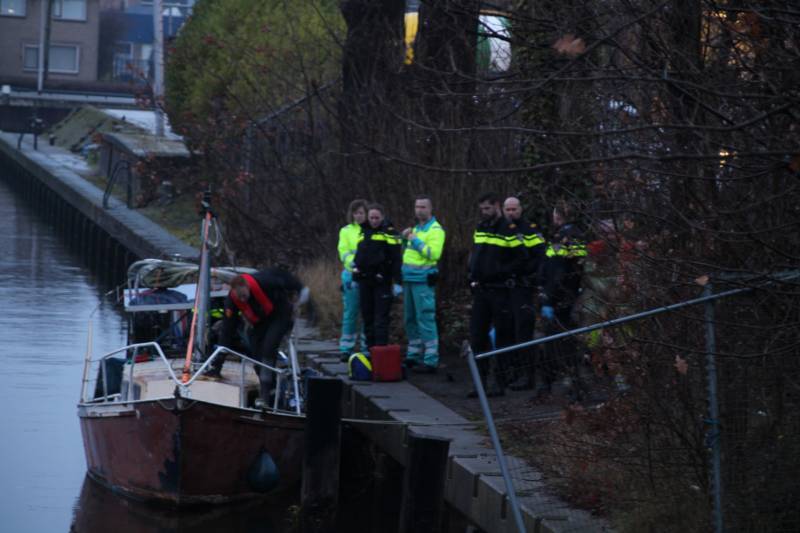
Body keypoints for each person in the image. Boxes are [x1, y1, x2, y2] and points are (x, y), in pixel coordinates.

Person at [206, 268, 305, 407]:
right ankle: (271, 391)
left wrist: (303, 294)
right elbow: (227, 330)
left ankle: (265, 395)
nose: (242, 299)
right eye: (239, 297)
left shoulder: (264, 281)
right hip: (260, 322)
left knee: (268, 348)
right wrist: (218, 364)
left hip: (280, 314)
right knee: (255, 352)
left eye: (244, 295)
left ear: (247, 287)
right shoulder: (232, 301)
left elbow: (285, 278)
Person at [538, 200, 588, 402]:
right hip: (570, 296)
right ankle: (568, 385)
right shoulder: (578, 236)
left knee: (556, 345)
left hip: (559, 300)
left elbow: (558, 271)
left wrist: (549, 299)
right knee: (566, 343)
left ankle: (561, 386)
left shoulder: (563, 238)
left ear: (558, 216)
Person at [467, 192, 516, 397]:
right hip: (481, 289)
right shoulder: (482, 227)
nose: (485, 212)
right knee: (477, 337)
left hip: (500, 289)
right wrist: (471, 275)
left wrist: (502, 274)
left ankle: (500, 382)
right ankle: (480, 382)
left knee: (502, 336)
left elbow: (518, 258)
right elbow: (476, 254)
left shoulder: (507, 229)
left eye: (488, 208)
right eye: (482, 209)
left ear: (497, 206)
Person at [502, 196, 546, 391]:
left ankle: (527, 375)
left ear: (521, 209)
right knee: (507, 330)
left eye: (514, 209)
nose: (511, 213)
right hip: (504, 288)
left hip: (522, 287)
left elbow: (540, 257)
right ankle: (513, 371)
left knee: (523, 331)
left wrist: (528, 274)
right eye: (508, 209)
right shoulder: (500, 228)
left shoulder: (530, 230)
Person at [401, 195, 446, 373]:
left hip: (422, 280)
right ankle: (413, 355)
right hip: (409, 279)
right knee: (410, 319)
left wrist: (413, 239)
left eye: (423, 207)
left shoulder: (435, 230)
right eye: (417, 207)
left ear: (430, 209)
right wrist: (405, 239)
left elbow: (433, 254)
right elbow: (408, 253)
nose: (419, 210)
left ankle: (430, 359)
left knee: (425, 318)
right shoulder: (416, 229)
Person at [352, 203, 402, 349]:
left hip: (382, 281)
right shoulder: (364, 230)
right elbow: (360, 257)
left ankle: (380, 351)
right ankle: (369, 350)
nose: (374, 220)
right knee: (367, 317)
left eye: (377, 218)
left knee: (380, 319)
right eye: (371, 217)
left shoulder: (390, 232)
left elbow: (396, 258)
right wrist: (355, 277)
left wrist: (397, 281)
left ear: (382, 217)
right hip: (364, 280)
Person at [337, 199, 368, 361]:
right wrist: (354, 265)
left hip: (367, 276)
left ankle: (365, 347)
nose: (358, 216)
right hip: (351, 275)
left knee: (366, 312)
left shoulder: (372, 230)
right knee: (350, 313)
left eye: (361, 213)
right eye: (356, 213)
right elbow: (344, 252)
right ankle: (346, 348)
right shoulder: (346, 231)